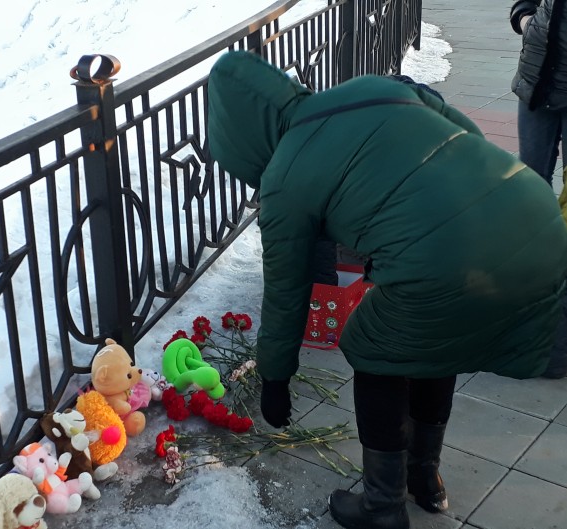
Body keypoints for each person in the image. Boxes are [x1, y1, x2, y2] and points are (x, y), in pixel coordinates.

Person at [206, 50, 567, 529]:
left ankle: (382, 506)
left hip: (447, 261)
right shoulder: (369, 89)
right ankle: (425, 478)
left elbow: (286, 293)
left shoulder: (284, 178)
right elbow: (464, 129)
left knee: (373, 347)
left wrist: (275, 378)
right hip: (535, 213)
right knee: (433, 340)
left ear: (239, 137)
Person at [510, 0, 567, 378]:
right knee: (528, 189)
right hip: (538, 84)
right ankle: (529, 297)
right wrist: (526, 20)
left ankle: (556, 337)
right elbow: (524, 4)